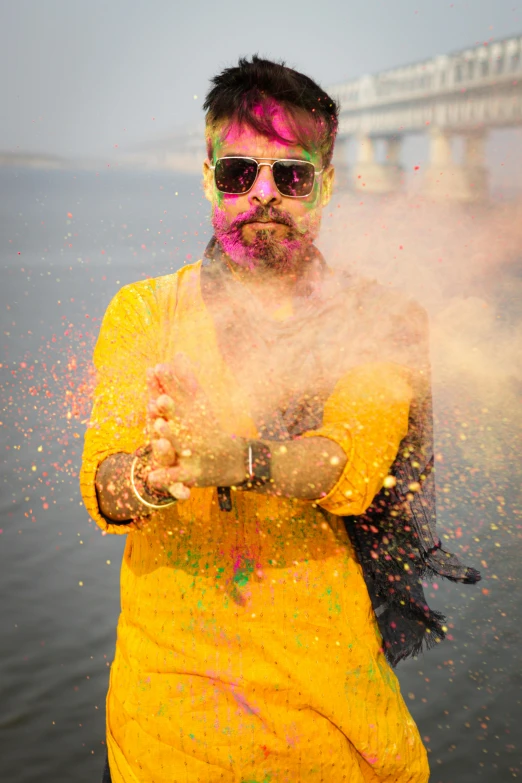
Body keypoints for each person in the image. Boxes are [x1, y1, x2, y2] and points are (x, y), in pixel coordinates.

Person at [81, 56, 479, 783]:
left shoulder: (379, 319)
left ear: (325, 186)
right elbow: (103, 484)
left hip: (331, 739)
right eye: (238, 173)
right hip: (165, 741)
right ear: (207, 178)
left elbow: (351, 467)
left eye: (291, 176)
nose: (264, 195)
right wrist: (151, 473)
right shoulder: (145, 311)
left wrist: (232, 459)